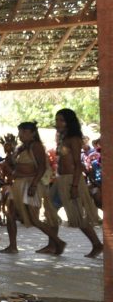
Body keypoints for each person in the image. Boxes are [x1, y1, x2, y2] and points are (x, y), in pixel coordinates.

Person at [0, 122, 64, 255]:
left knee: (33, 219)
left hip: (30, 183)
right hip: (18, 184)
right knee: (9, 214)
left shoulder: (36, 146)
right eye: (20, 132)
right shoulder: (21, 148)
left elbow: (41, 167)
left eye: (24, 132)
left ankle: (58, 241)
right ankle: (12, 246)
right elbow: (11, 165)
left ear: (33, 133)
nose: (21, 135)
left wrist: (34, 185)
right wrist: (10, 150)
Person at [54, 108, 103, 258]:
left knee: (77, 217)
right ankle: (54, 243)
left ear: (69, 122)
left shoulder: (74, 139)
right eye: (56, 120)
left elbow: (77, 163)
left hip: (70, 180)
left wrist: (75, 186)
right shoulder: (62, 138)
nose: (57, 123)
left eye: (61, 120)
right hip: (61, 180)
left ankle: (97, 244)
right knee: (50, 209)